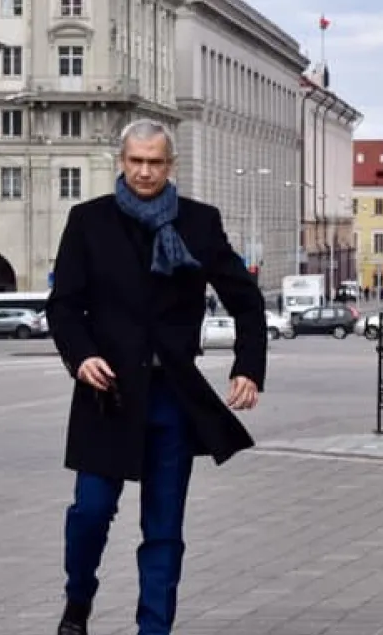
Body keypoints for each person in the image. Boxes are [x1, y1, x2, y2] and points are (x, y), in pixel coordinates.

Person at [45, 119, 267, 635]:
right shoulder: (88, 221)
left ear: (171, 166)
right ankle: (79, 598)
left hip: (171, 400)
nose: (145, 171)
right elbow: (63, 307)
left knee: (164, 528)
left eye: (156, 162)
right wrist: (81, 358)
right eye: (136, 161)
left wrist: (248, 368)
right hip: (108, 394)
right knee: (91, 513)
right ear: (121, 162)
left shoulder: (199, 223)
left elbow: (246, 301)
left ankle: (154, 628)